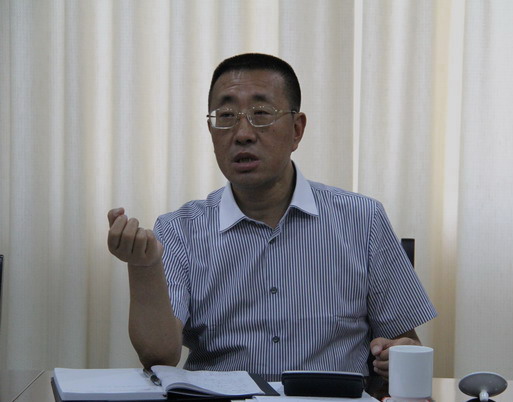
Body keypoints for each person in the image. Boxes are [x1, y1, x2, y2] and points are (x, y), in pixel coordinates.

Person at [107, 53, 437, 381]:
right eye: (226, 116)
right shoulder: (179, 230)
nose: (243, 133)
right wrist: (143, 266)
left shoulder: (363, 220)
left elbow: (404, 343)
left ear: (297, 130)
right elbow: (159, 357)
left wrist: (398, 355)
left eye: (261, 114)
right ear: (210, 131)